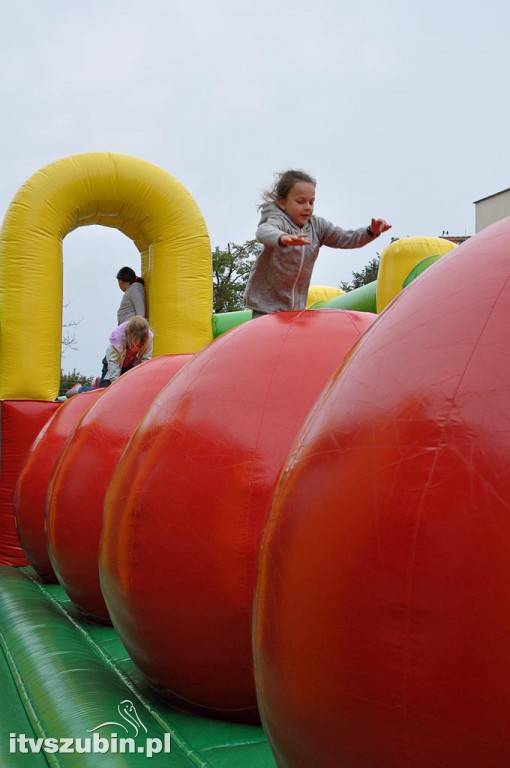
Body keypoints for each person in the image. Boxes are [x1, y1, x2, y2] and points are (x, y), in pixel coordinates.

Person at [244, 169, 391, 318]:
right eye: (300, 202)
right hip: (266, 307)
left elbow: (346, 238)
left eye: (311, 202)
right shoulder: (278, 220)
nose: (307, 206)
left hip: (294, 309)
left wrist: (370, 232)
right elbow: (264, 231)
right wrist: (282, 238)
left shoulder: (317, 227)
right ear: (283, 203)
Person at [67, 316, 153, 396]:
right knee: (105, 393)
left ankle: (100, 383)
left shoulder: (147, 340)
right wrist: (115, 383)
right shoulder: (118, 339)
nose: (135, 348)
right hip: (113, 364)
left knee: (129, 390)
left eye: (139, 345)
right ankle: (79, 389)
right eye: (133, 344)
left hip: (131, 364)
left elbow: (146, 362)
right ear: (129, 337)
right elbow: (113, 362)